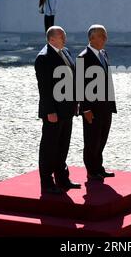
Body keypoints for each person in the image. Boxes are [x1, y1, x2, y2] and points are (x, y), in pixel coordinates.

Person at [34, 26, 81, 194]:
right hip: (53, 111)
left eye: (64, 35)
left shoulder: (65, 51)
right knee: (49, 147)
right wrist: (50, 111)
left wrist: (76, 102)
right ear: (51, 39)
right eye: (61, 36)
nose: (65, 38)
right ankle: (47, 182)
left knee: (63, 145)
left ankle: (62, 178)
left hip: (67, 108)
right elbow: (45, 89)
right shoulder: (44, 58)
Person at [76, 25, 117, 181]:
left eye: (105, 35)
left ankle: (99, 166)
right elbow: (79, 86)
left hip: (105, 106)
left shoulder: (104, 53)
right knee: (92, 140)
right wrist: (85, 109)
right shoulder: (83, 57)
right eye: (102, 35)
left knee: (102, 138)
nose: (105, 38)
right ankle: (91, 170)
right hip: (91, 108)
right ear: (92, 38)